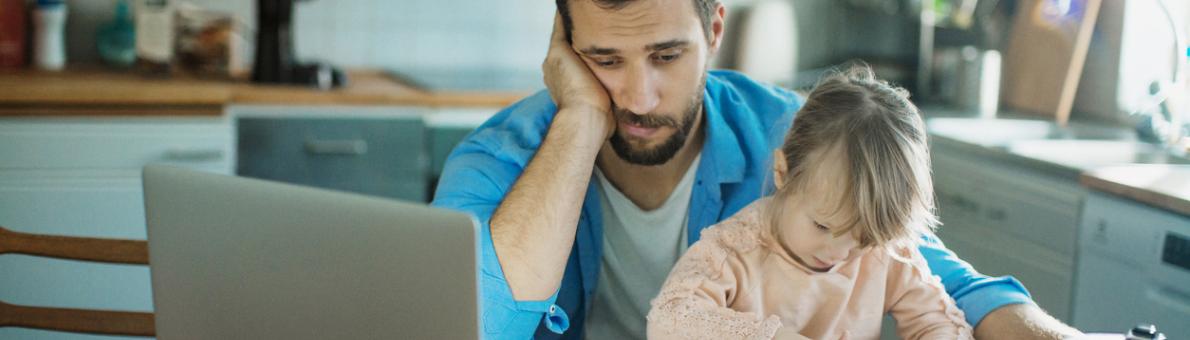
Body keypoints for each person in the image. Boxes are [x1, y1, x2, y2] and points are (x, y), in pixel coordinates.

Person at [431, 0, 1082, 338]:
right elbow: (465, 327)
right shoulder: (500, 157)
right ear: (564, 48)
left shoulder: (795, 135)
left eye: (665, 56)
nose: (636, 97)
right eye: (603, 59)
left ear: (714, 28)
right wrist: (578, 122)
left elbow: (932, 273)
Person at [647, 65, 972, 340]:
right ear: (782, 173)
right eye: (823, 225)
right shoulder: (732, 252)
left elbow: (938, 320)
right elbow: (668, 319)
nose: (839, 253)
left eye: (864, 238)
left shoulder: (883, 254)